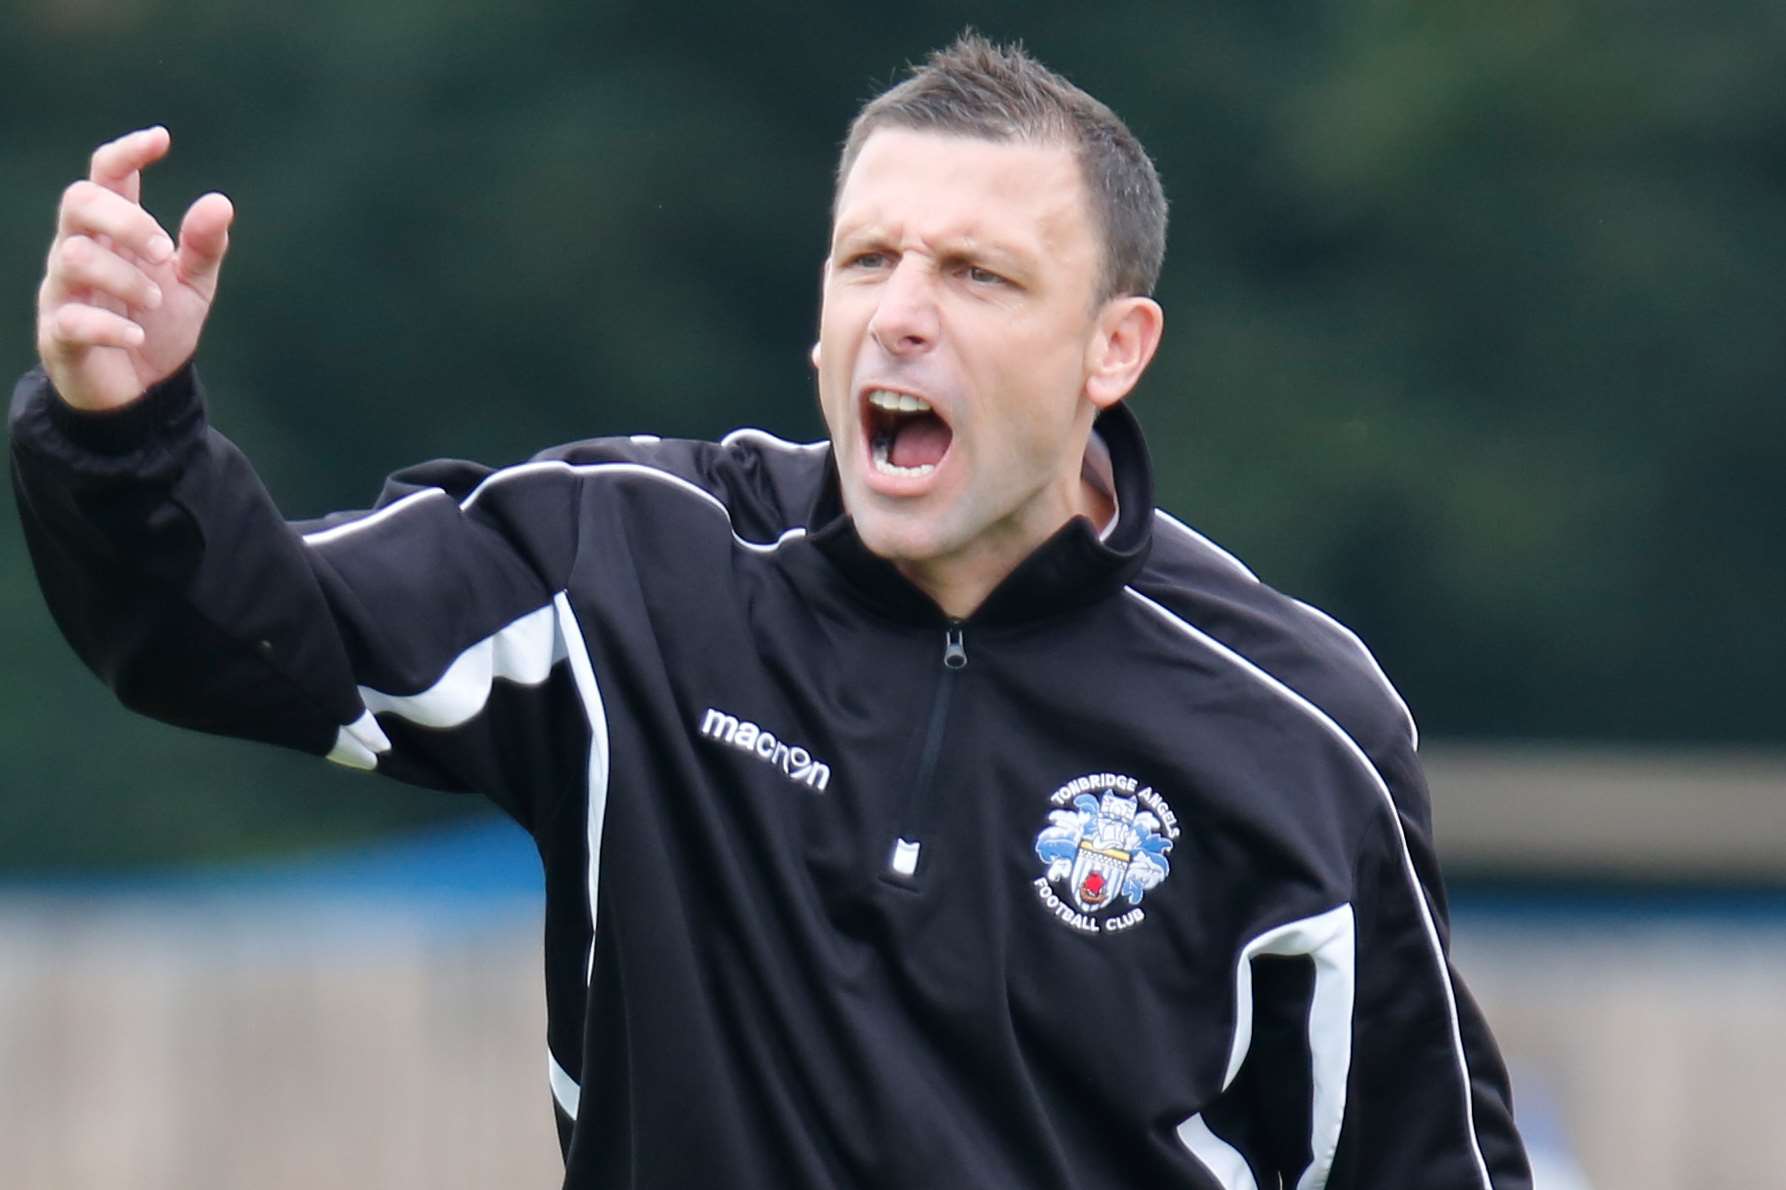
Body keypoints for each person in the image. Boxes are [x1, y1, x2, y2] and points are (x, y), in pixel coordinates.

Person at [12, 33, 1532, 1190]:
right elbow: (247, 632)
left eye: (979, 275)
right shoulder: (626, 572)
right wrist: (125, 428)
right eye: (868, 257)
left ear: (1111, 349)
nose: (902, 310)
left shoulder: (1294, 728)